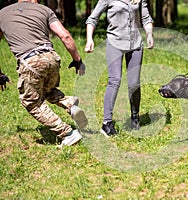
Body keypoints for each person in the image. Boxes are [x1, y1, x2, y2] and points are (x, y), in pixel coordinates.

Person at [0, 0, 88, 146]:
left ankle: (67, 133)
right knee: (47, 90)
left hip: (30, 61)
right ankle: (71, 105)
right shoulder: (44, 10)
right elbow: (65, 36)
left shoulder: (2, 13)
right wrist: (77, 60)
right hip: (51, 57)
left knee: (31, 102)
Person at [85, 0, 154, 136]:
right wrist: (89, 39)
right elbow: (92, 19)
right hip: (114, 42)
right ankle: (107, 123)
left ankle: (135, 117)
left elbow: (146, 18)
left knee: (134, 83)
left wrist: (149, 34)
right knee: (114, 80)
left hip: (135, 44)